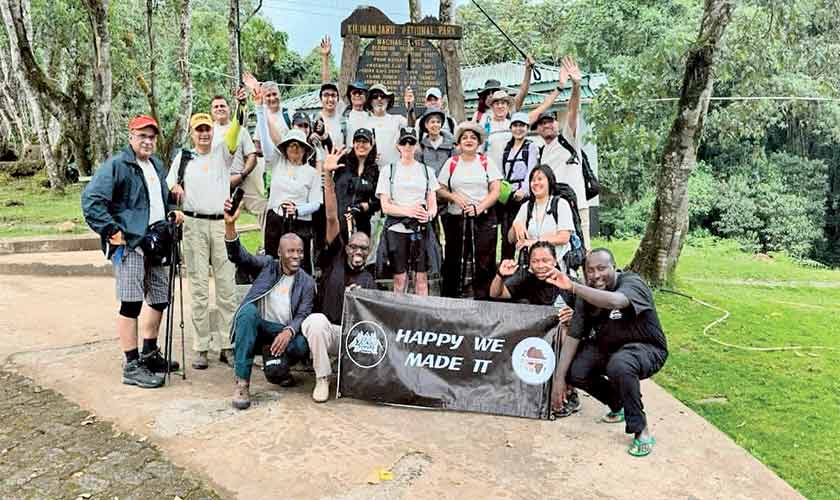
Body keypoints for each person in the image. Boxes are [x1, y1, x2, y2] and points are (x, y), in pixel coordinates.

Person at [82, 115, 184, 389]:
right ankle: (131, 363)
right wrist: (111, 231)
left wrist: (173, 212)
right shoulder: (117, 165)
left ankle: (150, 352)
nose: (147, 141)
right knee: (131, 303)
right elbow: (91, 200)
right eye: (142, 136)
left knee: (160, 298)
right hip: (130, 245)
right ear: (131, 137)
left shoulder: (156, 165)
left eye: (151, 137)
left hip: (158, 241)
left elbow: (159, 201)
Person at [548, 248, 669, 457]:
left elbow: (616, 301)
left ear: (614, 266)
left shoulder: (632, 282)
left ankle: (641, 430)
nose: (596, 275)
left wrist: (574, 287)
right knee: (576, 370)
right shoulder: (586, 295)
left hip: (647, 349)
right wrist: (559, 378)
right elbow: (574, 336)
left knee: (620, 364)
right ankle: (617, 403)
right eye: (590, 270)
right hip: (610, 348)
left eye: (602, 268)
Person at [167, 108, 243, 370]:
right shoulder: (183, 158)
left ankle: (227, 345)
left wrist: (240, 105)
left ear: (213, 131)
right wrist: (175, 188)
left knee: (226, 288)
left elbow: (235, 131)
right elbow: (170, 184)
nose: (203, 134)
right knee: (198, 288)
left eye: (207, 129)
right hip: (193, 224)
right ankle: (201, 346)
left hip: (221, 224)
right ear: (192, 133)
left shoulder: (223, 152)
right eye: (199, 130)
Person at [300, 146, 376, 402]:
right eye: (354, 245)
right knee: (315, 322)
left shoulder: (370, 278)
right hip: (331, 332)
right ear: (347, 246)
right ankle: (323, 378)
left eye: (364, 248)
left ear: (369, 252)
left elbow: (374, 323)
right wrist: (328, 177)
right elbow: (332, 217)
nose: (358, 251)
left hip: (355, 338)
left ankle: (353, 376)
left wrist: (362, 298)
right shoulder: (336, 257)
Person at [223, 203, 316, 410]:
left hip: (283, 331)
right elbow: (239, 255)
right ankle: (242, 383)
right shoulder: (267, 266)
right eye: (290, 251)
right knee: (247, 312)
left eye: (299, 252)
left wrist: (289, 331)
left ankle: (278, 365)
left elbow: (304, 313)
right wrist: (230, 225)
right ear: (279, 253)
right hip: (261, 328)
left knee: (301, 345)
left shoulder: (307, 282)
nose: (296, 256)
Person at [488, 241, 581, 417]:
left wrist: (574, 316)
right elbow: (496, 294)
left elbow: (589, 317)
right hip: (532, 344)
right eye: (535, 261)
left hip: (563, 345)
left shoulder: (569, 283)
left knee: (565, 329)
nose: (540, 265)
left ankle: (570, 392)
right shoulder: (525, 278)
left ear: (555, 261)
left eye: (545, 260)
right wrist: (500, 275)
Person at [529, 56, 590, 247]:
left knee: (583, 251)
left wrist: (576, 85)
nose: (547, 125)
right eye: (542, 123)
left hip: (577, 205)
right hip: (553, 208)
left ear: (557, 124)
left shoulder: (567, 139)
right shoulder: (539, 152)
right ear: (537, 129)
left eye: (550, 121)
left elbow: (572, 111)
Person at [437, 121, 502, 299]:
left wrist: (480, 207)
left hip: (483, 218)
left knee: (484, 261)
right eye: (464, 137)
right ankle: (451, 300)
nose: (468, 140)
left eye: (473, 137)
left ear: (479, 142)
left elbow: (495, 190)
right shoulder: (452, 162)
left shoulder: (486, 162)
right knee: (453, 261)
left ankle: (484, 301)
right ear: (458, 142)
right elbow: (440, 188)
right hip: (456, 218)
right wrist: (454, 197)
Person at [375, 127, 439, 295]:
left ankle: (422, 317)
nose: (408, 146)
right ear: (398, 145)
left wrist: (429, 215)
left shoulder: (427, 171)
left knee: (421, 279)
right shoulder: (388, 171)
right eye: (404, 142)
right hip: (396, 229)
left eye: (411, 142)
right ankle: (398, 317)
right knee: (400, 279)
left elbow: (433, 204)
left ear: (416, 145)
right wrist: (408, 211)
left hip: (421, 229)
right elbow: (385, 206)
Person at [508, 165, 575, 270]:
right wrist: (515, 225)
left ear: (549, 181)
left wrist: (534, 242)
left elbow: (564, 237)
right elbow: (511, 239)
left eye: (540, 179)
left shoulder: (560, 204)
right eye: (533, 180)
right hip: (532, 268)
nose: (536, 183)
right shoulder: (526, 206)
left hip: (557, 267)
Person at [497, 112, 539, 260]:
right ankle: (506, 267)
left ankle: (525, 264)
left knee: (523, 232)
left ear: (527, 128)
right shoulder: (507, 148)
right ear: (511, 128)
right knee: (506, 235)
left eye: (522, 126)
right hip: (508, 196)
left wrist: (524, 191)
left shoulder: (531, 147)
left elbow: (532, 171)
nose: (518, 129)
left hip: (523, 197)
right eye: (515, 125)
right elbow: (503, 172)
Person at [319, 36, 371, 141]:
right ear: (350, 95)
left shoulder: (372, 116)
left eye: (360, 92)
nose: (357, 95)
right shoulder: (343, 110)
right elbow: (327, 88)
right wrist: (325, 58)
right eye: (354, 92)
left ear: (366, 96)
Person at [335, 128, 380, 237]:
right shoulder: (342, 163)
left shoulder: (374, 170)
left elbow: (378, 201)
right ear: (353, 144)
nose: (361, 145)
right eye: (357, 141)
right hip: (338, 221)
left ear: (371, 145)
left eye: (365, 142)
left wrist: (367, 206)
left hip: (361, 223)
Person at [209, 92, 257, 188]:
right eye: (216, 107)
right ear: (211, 111)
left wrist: (241, 175)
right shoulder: (206, 132)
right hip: (214, 184)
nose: (219, 109)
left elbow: (252, 156)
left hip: (239, 182)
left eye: (222, 106)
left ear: (229, 109)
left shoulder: (241, 130)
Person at [471, 56, 535, 123]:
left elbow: (523, 92)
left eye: (493, 91)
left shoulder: (508, 109)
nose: (490, 95)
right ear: (483, 97)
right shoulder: (478, 116)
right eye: (487, 93)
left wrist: (528, 70)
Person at [366, 83, 409, 169]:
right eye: (375, 96)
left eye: (383, 96)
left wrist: (410, 108)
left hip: (393, 171)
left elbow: (411, 128)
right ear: (370, 101)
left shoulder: (398, 119)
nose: (379, 99)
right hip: (371, 172)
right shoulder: (364, 122)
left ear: (388, 100)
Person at [415, 109, 456, 177]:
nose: (436, 125)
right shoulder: (421, 148)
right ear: (426, 125)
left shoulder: (451, 146)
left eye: (438, 122)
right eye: (432, 122)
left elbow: (455, 168)